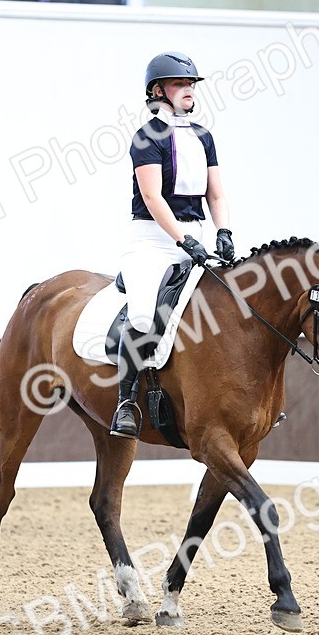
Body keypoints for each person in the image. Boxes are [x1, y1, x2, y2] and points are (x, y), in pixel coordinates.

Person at [110, 51, 236, 439]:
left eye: (190, 85)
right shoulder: (147, 137)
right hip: (153, 239)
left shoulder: (202, 136)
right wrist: (183, 240)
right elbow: (152, 198)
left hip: (196, 236)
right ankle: (126, 403)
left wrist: (224, 232)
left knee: (230, 308)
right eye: (181, 84)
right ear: (158, 90)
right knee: (146, 317)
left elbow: (216, 194)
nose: (188, 91)